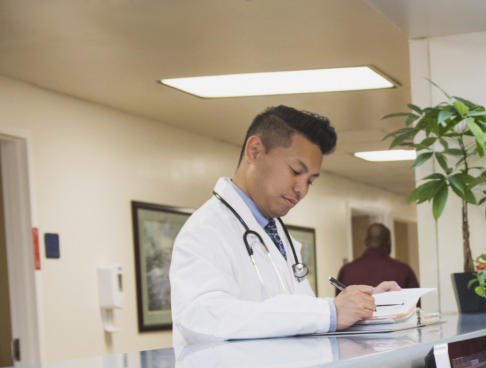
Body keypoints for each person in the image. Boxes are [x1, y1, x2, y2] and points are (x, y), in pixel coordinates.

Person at [170, 105, 399, 344]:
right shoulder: (204, 230)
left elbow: (296, 315)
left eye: (310, 180)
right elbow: (205, 319)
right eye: (295, 171)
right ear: (255, 150)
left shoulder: (275, 232)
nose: (302, 190)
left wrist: (366, 305)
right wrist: (329, 312)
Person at [336, 223, 419, 289]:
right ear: (388, 243)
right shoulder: (403, 270)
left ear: (366, 242)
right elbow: (416, 306)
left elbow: (337, 306)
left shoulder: (346, 270)